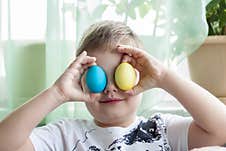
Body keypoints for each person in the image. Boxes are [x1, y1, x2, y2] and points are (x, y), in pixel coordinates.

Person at [0, 20, 226, 151]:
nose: (109, 89)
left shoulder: (161, 130)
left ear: (141, 78)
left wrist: (164, 77)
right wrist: (57, 93)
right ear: (81, 83)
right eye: (97, 78)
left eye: (120, 75)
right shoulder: (66, 134)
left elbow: (221, 129)